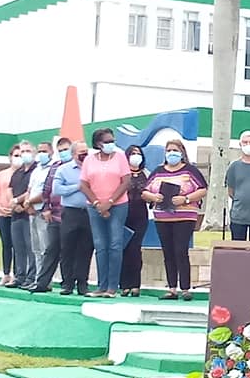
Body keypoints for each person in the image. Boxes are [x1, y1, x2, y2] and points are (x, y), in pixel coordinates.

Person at [143, 139, 208, 300]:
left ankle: (185, 288)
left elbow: (202, 189)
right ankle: (172, 288)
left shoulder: (190, 171)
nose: (172, 153)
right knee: (168, 252)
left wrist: (185, 199)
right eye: (169, 150)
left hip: (185, 216)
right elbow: (145, 191)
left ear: (182, 152)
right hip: (162, 218)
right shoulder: (158, 172)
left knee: (181, 251)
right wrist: (154, 197)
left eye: (175, 150)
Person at [80, 128, 131, 298]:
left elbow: (125, 182)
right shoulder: (89, 160)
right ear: (97, 143)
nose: (111, 144)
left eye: (112, 141)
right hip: (95, 207)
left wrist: (109, 203)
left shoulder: (120, 157)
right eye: (107, 141)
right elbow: (83, 185)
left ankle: (112, 287)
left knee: (115, 245)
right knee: (100, 245)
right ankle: (101, 286)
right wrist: (97, 203)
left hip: (118, 205)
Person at [27, 139, 71, 293]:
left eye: (66, 149)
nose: (64, 152)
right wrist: (46, 208)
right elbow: (47, 189)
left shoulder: (78, 166)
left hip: (71, 214)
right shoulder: (55, 167)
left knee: (68, 251)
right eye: (61, 149)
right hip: (53, 215)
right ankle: (42, 282)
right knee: (50, 249)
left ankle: (68, 284)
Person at [54, 140, 93, 295]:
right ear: (73, 154)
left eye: (86, 152)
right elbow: (57, 189)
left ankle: (82, 283)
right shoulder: (64, 170)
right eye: (81, 152)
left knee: (86, 249)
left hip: (89, 212)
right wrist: (78, 186)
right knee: (67, 248)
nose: (84, 155)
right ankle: (67, 283)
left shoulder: (92, 169)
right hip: (70, 212)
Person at [121, 145, 150, 297]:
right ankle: (124, 284)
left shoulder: (147, 174)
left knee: (135, 248)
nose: (135, 156)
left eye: (138, 154)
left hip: (140, 215)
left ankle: (135, 284)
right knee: (123, 248)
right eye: (132, 153)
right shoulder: (122, 173)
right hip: (123, 213)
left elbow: (152, 191)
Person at [7, 141, 37, 289]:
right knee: (18, 248)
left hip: (29, 213)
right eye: (22, 151)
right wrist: (13, 203)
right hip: (15, 215)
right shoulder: (17, 172)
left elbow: (32, 190)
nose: (24, 154)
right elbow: (10, 189)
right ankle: (19, 276)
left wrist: (19, 201)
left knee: (31, 246)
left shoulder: (36, 170)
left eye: (27, 151)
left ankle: (31, 277)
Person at [26, 141, 55, 281]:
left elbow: (46, 192)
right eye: (39, 151)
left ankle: (45, 280)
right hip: (32, 212)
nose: (42, 154)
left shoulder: (53, 169)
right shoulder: (36, 169)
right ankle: (38, 278)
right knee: (36, 249)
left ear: (51, 152)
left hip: (44, 211)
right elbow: (30, 190)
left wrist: (30, 202)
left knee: (45, 248)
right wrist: (28, 204)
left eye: (44, 151)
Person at [0, 145, 22, 286]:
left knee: (17, 245)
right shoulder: (2, 174)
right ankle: (5, 273)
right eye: (15, 155)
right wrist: (0, 207)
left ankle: (17, 274)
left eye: (20, 155)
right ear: (10, 157)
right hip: (2, 213)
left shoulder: (23, 173)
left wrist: (15, 207)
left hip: (17, 213)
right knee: (6, 244)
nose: (17, 158)